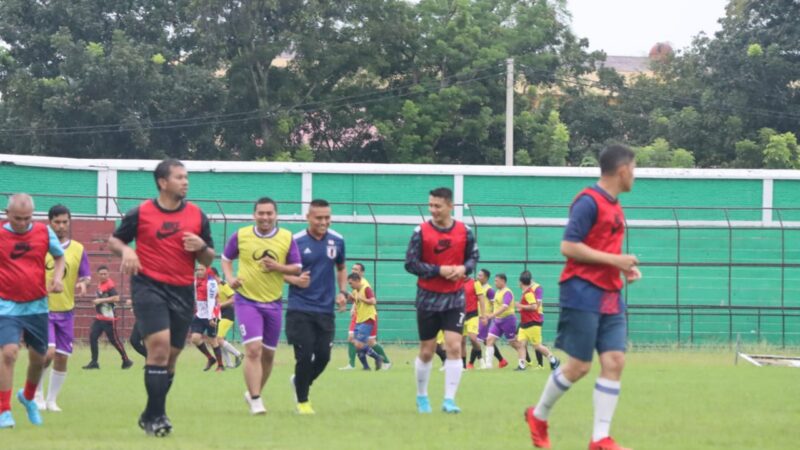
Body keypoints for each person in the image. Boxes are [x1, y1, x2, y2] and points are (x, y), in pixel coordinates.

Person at [525, 144, 641, 450]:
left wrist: (624, 268)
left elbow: (604, 251)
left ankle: (600, 439)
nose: (636, 176)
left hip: (610, 293)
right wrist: (615, 261)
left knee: (615, 361)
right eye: (635, 169)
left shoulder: (616, 206)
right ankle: (538, 416)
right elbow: (569, 246)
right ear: (623, 170)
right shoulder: (588, 202)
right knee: (579, 367)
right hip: (582, 291)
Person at [108, 159, 215, 437]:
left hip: (182, 290)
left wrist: (201, 246)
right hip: (148, 287)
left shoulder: (197, 215)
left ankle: (150, 413)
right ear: (162, 182)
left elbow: (209, 256)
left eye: (186, 177)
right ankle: (158, 418)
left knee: (172, 356)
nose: (185, 182)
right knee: (158, 348)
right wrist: (128, 252)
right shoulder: (140, 213)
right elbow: (115, 240)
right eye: (179, 177)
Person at [221, 197, 302, 415]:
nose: (265, 217)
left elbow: (296, 268)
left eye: (269, 213)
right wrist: (230, 278)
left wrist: (277, 267)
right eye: (261, 213)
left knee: (268, 356)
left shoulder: (286, 237)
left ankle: (253, 393)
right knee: (253, 350)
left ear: (276, 215)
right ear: (254, 215)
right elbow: (226, 258)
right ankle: (256, 400)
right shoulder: (241, 235)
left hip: (273, 303)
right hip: (246, 300)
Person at [404, 187, 479, 414]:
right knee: (427, 351)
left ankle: (449, 400)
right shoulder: (421, 232)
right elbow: (410, 263)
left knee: (454, 346)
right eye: (431, 205)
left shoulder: (464, 231)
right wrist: (439, 270)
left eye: (437, 206)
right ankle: (422, 396)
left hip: (455, 297)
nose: (433, 210)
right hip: (427, 298)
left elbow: (473, 258)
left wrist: (463, 268)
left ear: (450, 206)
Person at [0, 193, 65, 429]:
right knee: (9, 353)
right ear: (7, 215)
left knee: (41, 358)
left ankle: (27, 397)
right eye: (18, 218)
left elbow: (59, 257)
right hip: (6, 305)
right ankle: (4, 411)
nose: (23, 223)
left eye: (27, 218)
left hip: (37, 305)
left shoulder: (43, 232)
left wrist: (57, 279)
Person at [284, 199, 347, 415]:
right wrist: (295, 280)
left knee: (323, 357)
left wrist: (342, 292)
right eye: (319, 218)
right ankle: (303, 402)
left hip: (325, 310)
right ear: (308, 217)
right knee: (304, 355)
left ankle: (300, 382)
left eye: (327, 217)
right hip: (299, 308)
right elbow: (281, 272)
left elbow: (341, 268)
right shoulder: (295, 241)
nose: (323, 222)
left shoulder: (337, 240)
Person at [32, 204, 92, 412]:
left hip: (67, 310)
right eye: (57, 222)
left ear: (69, 222)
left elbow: (86, 275)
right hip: (43, 309)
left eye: (65, 222)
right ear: (50, 223)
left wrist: (83, 284)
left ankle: (51, 400)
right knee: (47, 353)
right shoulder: (40, 246)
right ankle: (36, 393)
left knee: (62, 357)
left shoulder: (78, 249)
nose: (61, 226)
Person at [340, 263, 391, 370]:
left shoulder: (364, 285)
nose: (354, 271)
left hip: (368, 317)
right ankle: (359, 365)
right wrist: (349, 299)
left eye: (356, 270)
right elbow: (355, 299)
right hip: (359, 316)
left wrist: (360, 300)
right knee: (353, 339)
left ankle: (382, 360)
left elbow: (372, 300)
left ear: (361, 273)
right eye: (353, 269)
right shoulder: (354, 285)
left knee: (367, 342)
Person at [82, 265, 133, 370]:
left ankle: (126, 360)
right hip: (100, 318)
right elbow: (103, 297)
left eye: (105, 274)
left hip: (109, 319)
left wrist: (100, 301)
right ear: (97, 275)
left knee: (114, 341)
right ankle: (94, 362)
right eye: (101, 274)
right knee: (92, 337)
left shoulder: (109, 285)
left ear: (108, 274)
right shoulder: (100, 284)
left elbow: (116, 298)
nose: (103, 275)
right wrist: (97, 303)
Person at [515, 270, 559, 371]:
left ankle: (553, 360)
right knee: (521, 344)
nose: (518, 283)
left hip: (533, 323)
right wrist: (521, 308)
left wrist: (520, 305)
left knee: (537, 346)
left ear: (521, 282)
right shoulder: (525, 293)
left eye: (518, 281)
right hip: (524, 323)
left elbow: (534, 306)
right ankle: (521, 365)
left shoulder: (529, 293)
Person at [484, 274, 523, 369]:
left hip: (508, 320)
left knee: (513, 343)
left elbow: (505, 307)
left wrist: (492, 315)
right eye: (495, 280)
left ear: (503, 281)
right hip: (498, 321)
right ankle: (488, 365)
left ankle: (523, 360)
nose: (495, 282)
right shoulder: (498, 291)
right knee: (489, 340)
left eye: (497, 281)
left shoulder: (507, 292)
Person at [346, 273, 383, 370]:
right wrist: (350, 298)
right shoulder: (355, 291)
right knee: (354, 343)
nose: (350, 285)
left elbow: (373, 301)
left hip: (368, 319)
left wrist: (362, 298)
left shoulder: (366, 288)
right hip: (359, 320)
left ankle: (378, 357)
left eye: (351, 283)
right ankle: (366, 367)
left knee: (359, 344)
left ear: (358, 280)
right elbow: (355, 301)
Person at [190, 265, 223, 372]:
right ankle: (210, 358)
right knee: (195, 338)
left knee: (212, 341)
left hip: (211, 315)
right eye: (197, 269)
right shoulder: (196, 281)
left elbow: (212, 301)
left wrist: (211, 318)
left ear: (207, 271)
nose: (199, 272)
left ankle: (220, 365)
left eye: (201, 270)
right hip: (200, 315)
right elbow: (195, 296)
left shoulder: (211, 283)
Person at [209, 267, 242, 369]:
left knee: (218, 339)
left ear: (214, 276)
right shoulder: (212, 286)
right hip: (219, 314)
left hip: (227, 314)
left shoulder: (224, 284)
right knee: (221, 340)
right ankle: (229, 364)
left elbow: (233, 298)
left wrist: (220, 305)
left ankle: (238, 354)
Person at [475, 268, 508, 368]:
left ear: (486, 278)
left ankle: (471, 363)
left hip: (486, 319)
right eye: (478, 275)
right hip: (478, 317)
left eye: (480, 275)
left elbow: (496, 304)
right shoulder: (477, 287)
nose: (478, 277)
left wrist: (491, 316)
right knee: (486, 341)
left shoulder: (489, 290)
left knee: (476, 340)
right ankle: (502, 360)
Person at [461, 276, 488, 369]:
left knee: (473, 338)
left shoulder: (475, 283)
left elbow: (481, 300)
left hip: (472, 315)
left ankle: (480, 357)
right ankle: (463, 366)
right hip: (460, 315)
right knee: (461, 341)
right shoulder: (456, 283)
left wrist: (483, 316)